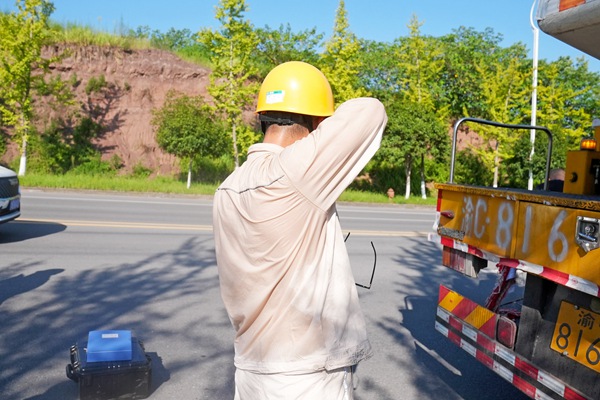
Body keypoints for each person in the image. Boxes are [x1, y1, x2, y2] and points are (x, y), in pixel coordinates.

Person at [212, 61, 387, 399]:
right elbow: (371, 110)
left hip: (250, 369)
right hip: (305, 377)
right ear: (318, 122)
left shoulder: (226, 189)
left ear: (264, 117)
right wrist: (326, 127)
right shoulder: (296, 172)